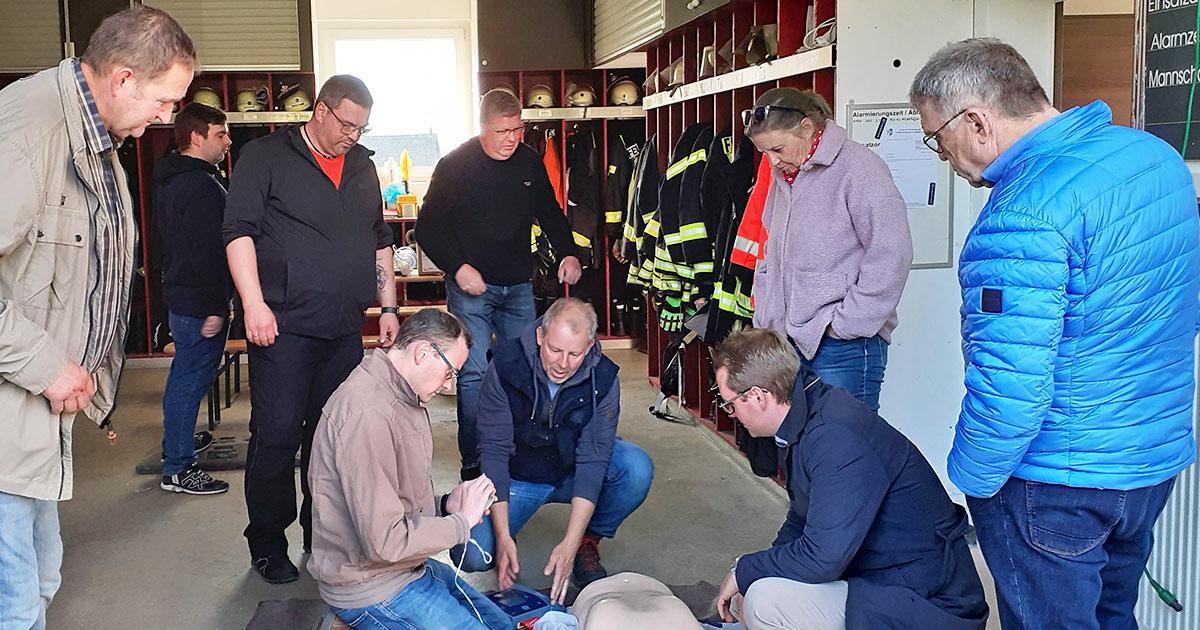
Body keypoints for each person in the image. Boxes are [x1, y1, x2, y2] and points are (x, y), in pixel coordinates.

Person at [910, 38, 1200, 629]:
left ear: (977, 121)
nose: (942, 155)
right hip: (1150, 461)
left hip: (1056, 483)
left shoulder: (1023, 213)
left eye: (936, 137)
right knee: (1114, 615)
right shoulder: (1155, 157)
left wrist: (973, 483)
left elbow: (1010, 390)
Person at [0, 6, 194, 627]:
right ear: (124, 80)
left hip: (33, 416)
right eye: (165, 100)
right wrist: (48, 364)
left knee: (43, 577)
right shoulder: (30, 132)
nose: (168, 117)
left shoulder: (98, 135)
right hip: (12, 411)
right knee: (17, 601)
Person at [223, 74, 398, 584]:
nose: (353, 136)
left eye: (362, 128)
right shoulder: (266, 158)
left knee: (329, 441)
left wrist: (387, 307)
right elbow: (238, 234)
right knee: (277, 436)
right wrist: (253, 305)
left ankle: (320, 535)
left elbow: (378, 238)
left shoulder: (362, 165)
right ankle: (267, 542)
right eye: (346, 124)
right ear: (319, 111)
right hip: (282, 327)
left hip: (343, 328)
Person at [710, 328, 988, 630]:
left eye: (730, 404)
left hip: (928, 605)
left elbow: (822, 558)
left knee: (765, 602)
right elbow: (802, 518)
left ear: (758, 396)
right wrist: (755, 570)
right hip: (888, 581)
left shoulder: (835, 437)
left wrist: (746, 572)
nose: (731, 414)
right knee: (756, 587)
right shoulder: (807, 418)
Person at [416, 88, 583, 481]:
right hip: (471, 288)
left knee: (522, 370)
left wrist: (568, 253)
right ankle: (474, 465)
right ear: (483, 128)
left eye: (518, 129)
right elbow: (428, 228)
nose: (511, 138)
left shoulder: (528, 161)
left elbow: (550, 212)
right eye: (502, 130)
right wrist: (458, 268)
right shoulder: (456, 166)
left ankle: (515, 454)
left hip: (517, 287)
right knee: (473, 375)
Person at [309, 308, 509, 630]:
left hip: (404, 567)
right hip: (370, 584)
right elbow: (385, 542)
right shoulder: (367, 413)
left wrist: (446, 504)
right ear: (422, 352)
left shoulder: (402, 394)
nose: (448, 386)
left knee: (502, 624)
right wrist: (461, 522)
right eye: (449, 373)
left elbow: (396, 499)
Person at [451, 298, 653, 602]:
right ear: (539, 336)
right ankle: (506, 529)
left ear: (590, 346)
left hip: (570, 471)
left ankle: (588, 540)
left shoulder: (603, 377)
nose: (563, 363)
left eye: (575, 354)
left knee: (635, 468)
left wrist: (570, 544)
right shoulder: (505, 365)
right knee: (471, 553)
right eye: (555, 350)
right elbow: (494, 452)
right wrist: (503, 536)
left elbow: (593, 459)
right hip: (519, 475)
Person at [744, 88, 912, 412]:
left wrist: (845, 324)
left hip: (843, 346)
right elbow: (771, 250)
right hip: (789, 343)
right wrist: (767, 317)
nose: (773, 161)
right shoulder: (785, 175)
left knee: (844, 450)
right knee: (804, 449)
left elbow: (892, 253)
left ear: (807, 128)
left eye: (777, 148)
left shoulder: (860, 168)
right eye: (765, 152)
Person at [154, 102, 232, 496]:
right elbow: (208, 252)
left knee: (185, 378)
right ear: (196, 137)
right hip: (199, 302)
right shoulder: (199, 185)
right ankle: (179, 468)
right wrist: (217, 307)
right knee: (189, 381)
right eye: (220, 135)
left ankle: (177, 445)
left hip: (185, 295)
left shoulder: (173, 177)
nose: (227, 142)